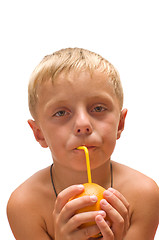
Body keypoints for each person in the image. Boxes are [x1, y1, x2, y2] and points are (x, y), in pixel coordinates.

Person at [7, 48, 159, 240]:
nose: (83, 125)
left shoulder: (144, 195)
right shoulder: (25, 205)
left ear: (120, 124)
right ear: (39, 134)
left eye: (98, 108)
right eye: (61, 113)